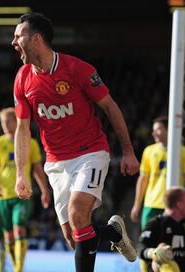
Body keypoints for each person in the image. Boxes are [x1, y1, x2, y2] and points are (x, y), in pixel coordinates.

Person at [11, 12, 140, 272]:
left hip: (90, 153)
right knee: (74, 237)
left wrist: (128, 151)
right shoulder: (23, 78)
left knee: (78, 212)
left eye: (18, 35)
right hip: (56, 161)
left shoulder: (76, 69)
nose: (13, 41)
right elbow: (22, 129)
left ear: (36, 39)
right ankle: (114, 233)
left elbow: (110, 107)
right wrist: (20, 174)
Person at [0, 107, 51, 272]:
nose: (5, 125)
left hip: (22, 195)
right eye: (2, 122)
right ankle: (15, 264)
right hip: (2, 197)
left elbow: (37, 169)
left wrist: (45, 190)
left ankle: (19, 269)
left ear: (16, 121)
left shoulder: (30, 142)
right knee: (8, 237)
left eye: (8, 121)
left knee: (19, 229)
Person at [130, 116, 185, 272]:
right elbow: (143, 179)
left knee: (172, 246)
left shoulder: (183, 152)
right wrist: (136, 205)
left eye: (158, 129)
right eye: (153, 130)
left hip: (175, 208)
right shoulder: (149, 151)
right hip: (151, 205)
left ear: (169, 130)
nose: (154, 133)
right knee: (146, 243)